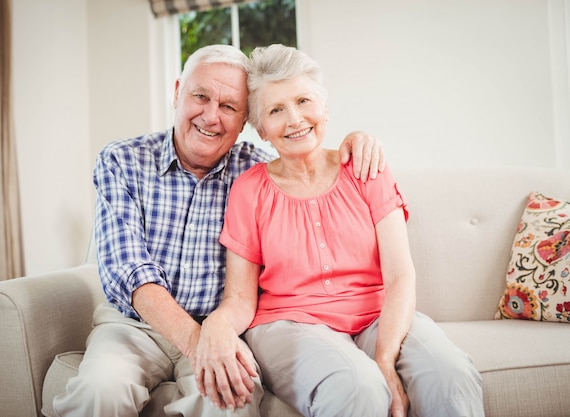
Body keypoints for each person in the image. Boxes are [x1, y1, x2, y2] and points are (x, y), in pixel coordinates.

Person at [47, 44, 385, 417]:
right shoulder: (122, 160)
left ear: (244, 121)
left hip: (222, 327)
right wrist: (198, 342)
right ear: (177, 92)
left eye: (228, 107)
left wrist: (356, 142)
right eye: (200, 96)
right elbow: (130, 272)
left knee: (232, 403)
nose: (211, 116)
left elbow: (310, 161)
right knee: (100, 390)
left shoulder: (258, 175)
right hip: (134, 327)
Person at [195, 44, 485, 417]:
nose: (295, 118)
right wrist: (215, 327)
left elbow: (400, 276)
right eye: (276, 110)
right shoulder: (249, 190)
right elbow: (239, 298)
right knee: (358, 388)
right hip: (288, 324)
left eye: (303, 100)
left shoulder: (367, 168)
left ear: (325, 108)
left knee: (451, 374)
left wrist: (385, 357)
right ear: (262, 130)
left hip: (377, 315)